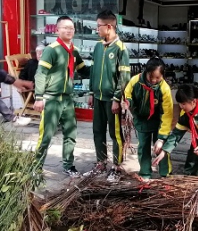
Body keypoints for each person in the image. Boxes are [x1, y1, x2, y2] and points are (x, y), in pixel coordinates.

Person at [33, 15, 90, 177]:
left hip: (68, 100)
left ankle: (68, 166)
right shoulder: (51, 50)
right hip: (51, 100)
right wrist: (38, 97)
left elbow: (83, 70)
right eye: (65, 27)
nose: (69, 30)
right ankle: (35, 168)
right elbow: (41, 73)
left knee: (71, 134)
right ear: (57, 30)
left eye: (71, 28)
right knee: (46, 136)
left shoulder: (74, 51)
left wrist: (104, 69)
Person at [84, 10, 130, 182]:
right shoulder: (97, 46)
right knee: (97, 131)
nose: (97, 30)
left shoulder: (121, 49)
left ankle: (117, 166)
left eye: (99, 26)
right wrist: (91, 92)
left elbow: (124, 77)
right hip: (97, 98)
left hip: (112, 100)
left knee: (116, 133)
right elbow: (94, 71)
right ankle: (101, 162)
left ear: (109, 26)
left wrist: (117, 98)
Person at [123, 57, 173, 182]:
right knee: (143, 147)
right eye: (152, 77)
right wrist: (127, 102)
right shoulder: (135, 81)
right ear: (146, 72)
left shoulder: (164, 88)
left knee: (160, 148)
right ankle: (145, 172)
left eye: (158, 77)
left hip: (159, 121)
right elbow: (127, 93)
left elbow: (167, 113)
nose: (155, 80)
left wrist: (161, 138)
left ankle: (165, 172)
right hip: (142, 119)